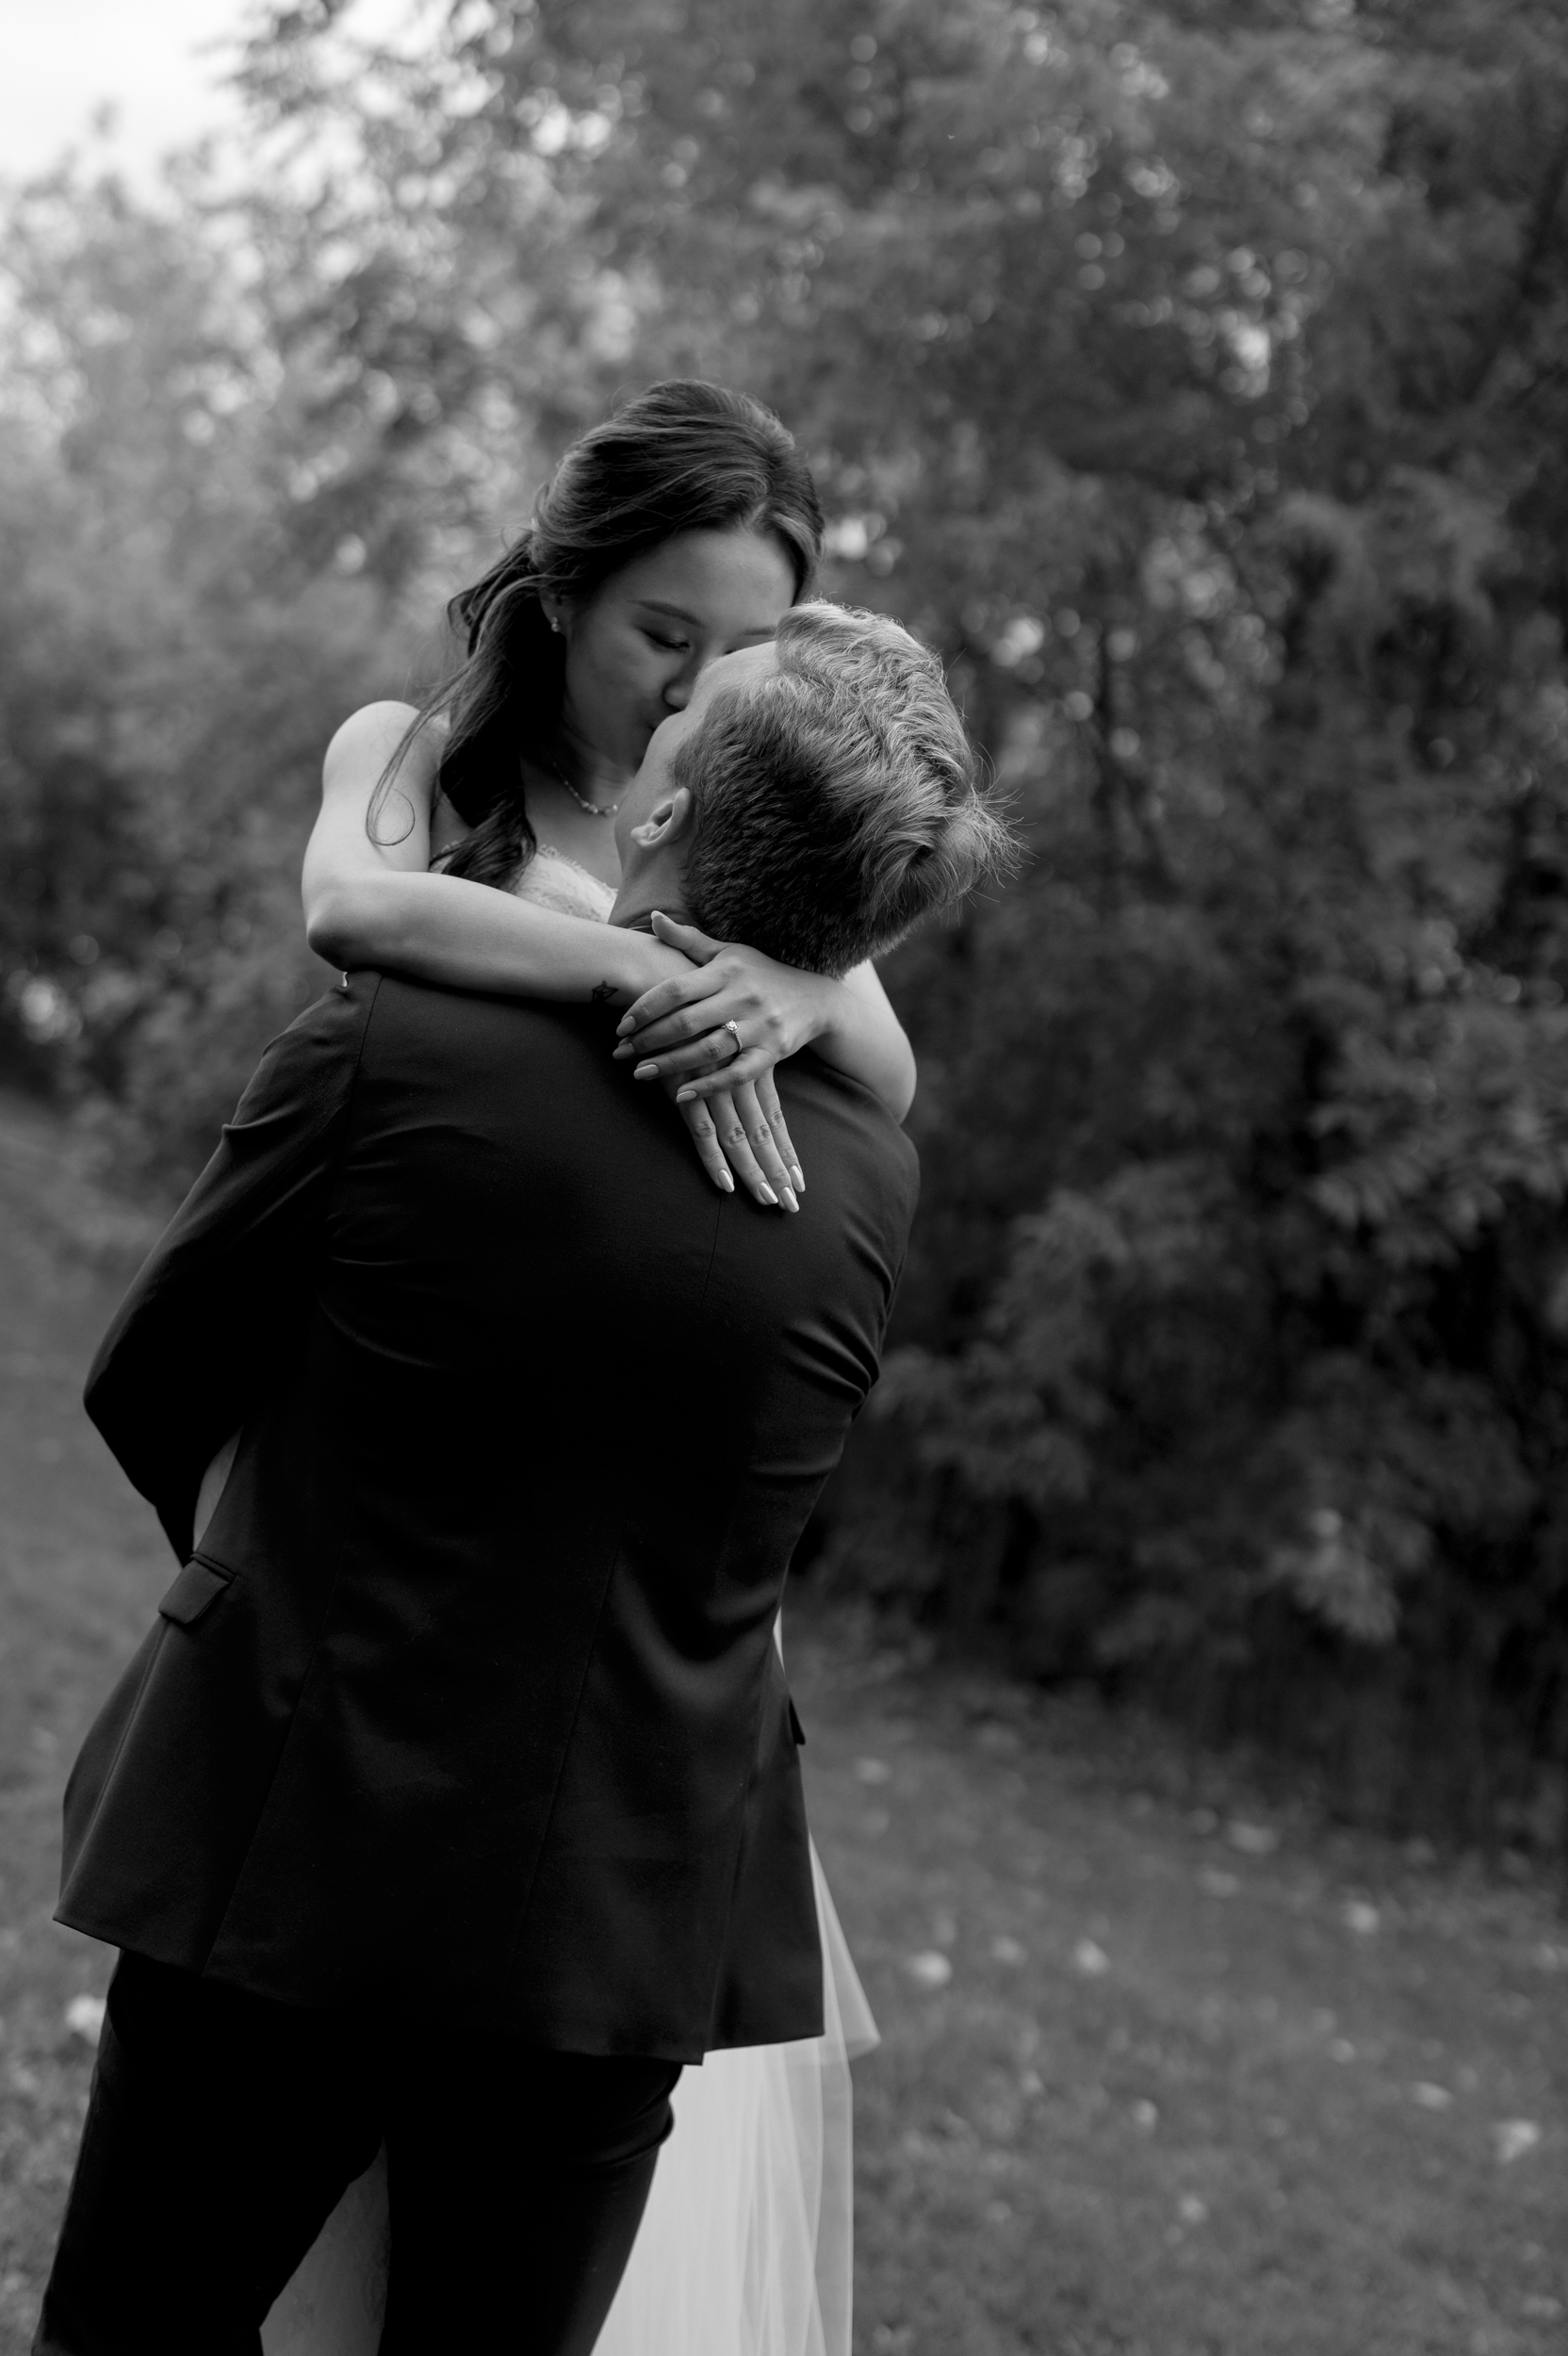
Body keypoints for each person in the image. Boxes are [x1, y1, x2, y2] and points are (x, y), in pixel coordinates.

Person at [35, 599, 1013, 2356]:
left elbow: (153, 1377)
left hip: (290, 1851)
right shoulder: (869, 1185)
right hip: (619, 1933)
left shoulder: (391, 1043)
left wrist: (282, 1568)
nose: (657, 704)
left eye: (688, 704)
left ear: (661, 805)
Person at [302, 378, 919, 1214]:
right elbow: (347, 907)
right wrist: (639, 967)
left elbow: (892, 1080)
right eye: (664, 638)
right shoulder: (407, 752)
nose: (692, 690)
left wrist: (807, 1001)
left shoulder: (747, 814)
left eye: (744, 653)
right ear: (562, 593)